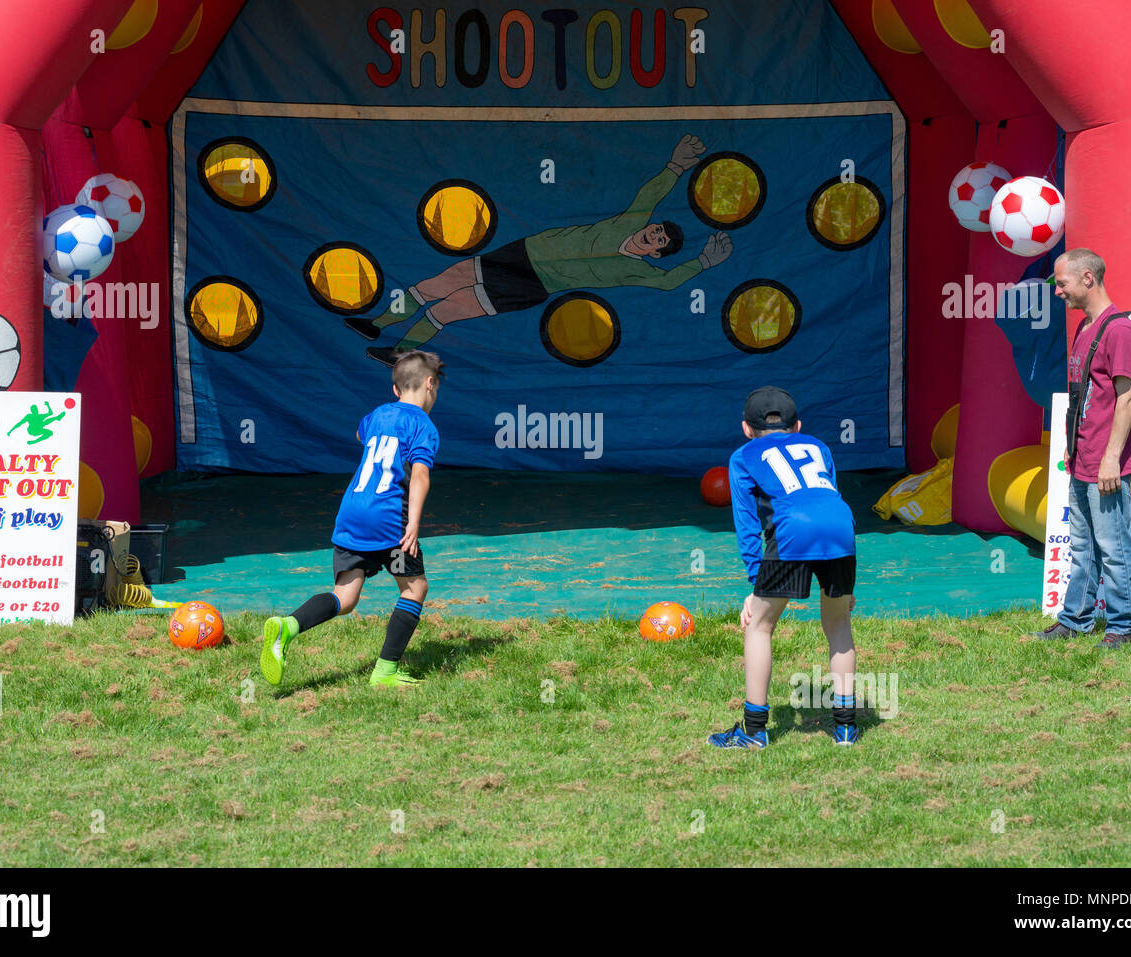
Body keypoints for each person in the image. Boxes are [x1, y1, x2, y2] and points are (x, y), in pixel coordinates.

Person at [346, 134, 733, 365]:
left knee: (449, 309)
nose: (655, 234)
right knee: (440, 282)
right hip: (523, 252)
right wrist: (676, 166)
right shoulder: (630, 221)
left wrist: (702, 262)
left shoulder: (640, 271)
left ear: (656, 255)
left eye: (661, 241)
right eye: (658, 229)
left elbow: (667, 284)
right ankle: (377, 324)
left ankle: (401, 352)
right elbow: (651, 193)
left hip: (533, 284)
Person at [260, 350, 443, 687]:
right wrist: (413, 525)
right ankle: (384, 672)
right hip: (390, 522)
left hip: (351, 514)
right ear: (430, 384)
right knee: (415, 588)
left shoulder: (378, 415)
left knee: (345, 597)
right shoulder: (423, 425)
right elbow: (419, 476)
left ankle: (288, 625)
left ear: (396, 389)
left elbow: (361, 435)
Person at [709, 387, 860, 749]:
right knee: (838, 623)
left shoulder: (742, 456)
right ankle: (845, 729)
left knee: (759, 626)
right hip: (842, 527)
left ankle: (754, 730)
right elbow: (827, 495)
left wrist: (753, 582)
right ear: (798, 427)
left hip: (793, 529)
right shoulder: (818, 447)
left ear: (747, 428)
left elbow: (747, 525)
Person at [1035, 248, 1131, 650]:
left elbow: (1128, 398)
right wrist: (1072, 448)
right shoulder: (1085, 328)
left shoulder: (1118, 330)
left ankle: (1122, 628)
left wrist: (1111, 459)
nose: (1058, 292)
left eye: (1062, 283)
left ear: (1088, 278)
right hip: (1084, 458)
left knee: (1113, 547)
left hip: (1106, 462)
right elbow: (1083, 396)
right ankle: (1074, 620)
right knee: (1082, 546)